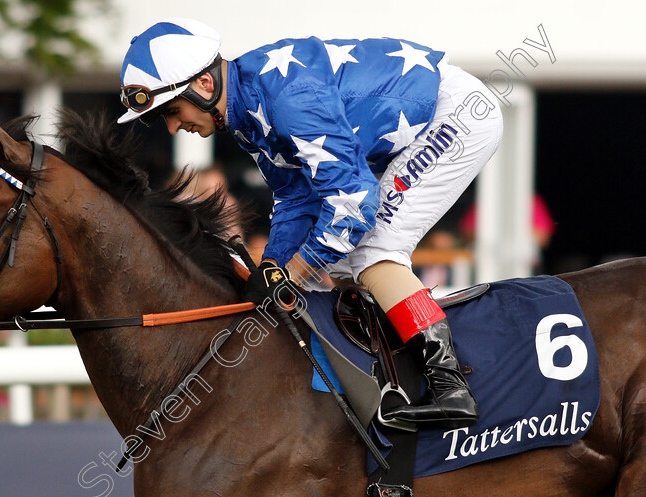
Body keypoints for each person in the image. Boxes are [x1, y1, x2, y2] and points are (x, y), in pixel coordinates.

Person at [117, 19, 503, 428]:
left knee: (372, 249)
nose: (174, 127)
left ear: (205, 86)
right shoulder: (246, 110)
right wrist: (273, 266)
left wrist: (296, 272)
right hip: (420, 117)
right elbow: (296, 197)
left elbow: (353, 203)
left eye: (173, 111)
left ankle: (449, 385)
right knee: (334, 259)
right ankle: (380, 374)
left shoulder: (287, 101)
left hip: (456, 115)